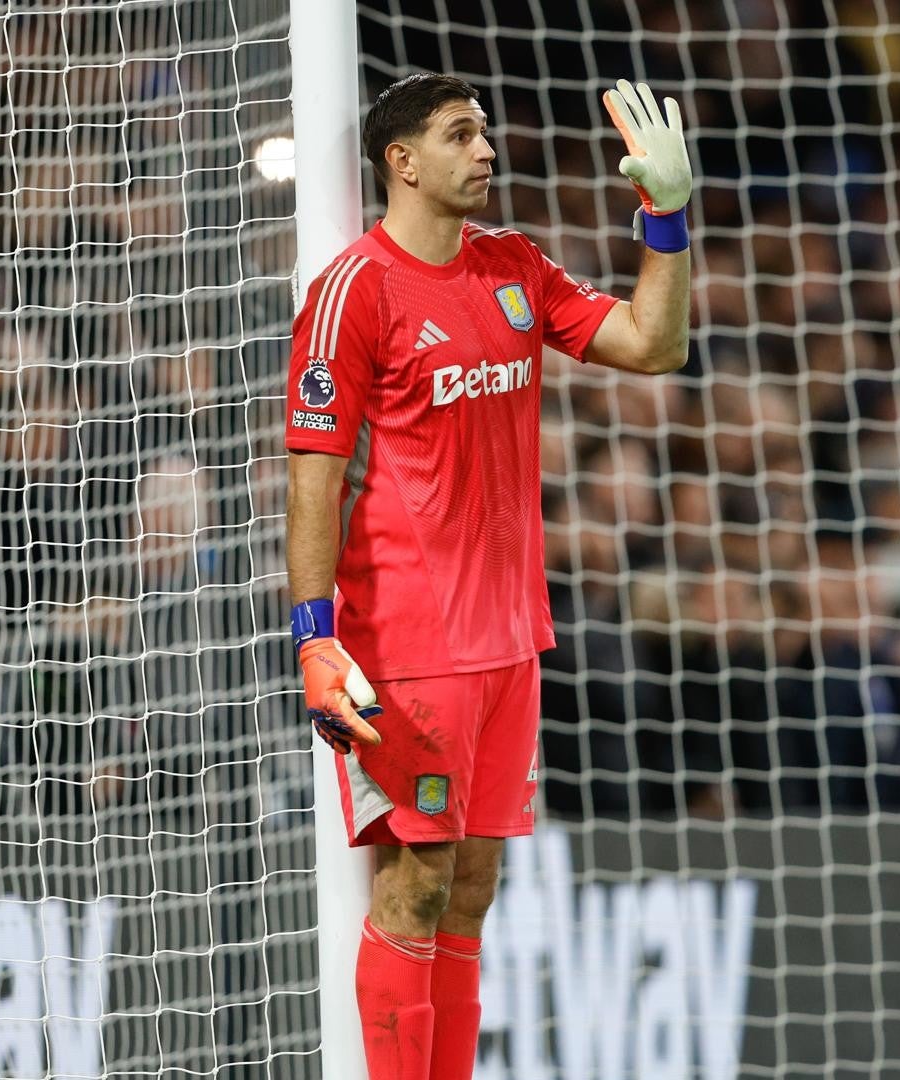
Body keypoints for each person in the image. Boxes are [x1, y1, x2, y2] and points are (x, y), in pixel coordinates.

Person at [283, 73, 690, 1080]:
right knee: (416, 882)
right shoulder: (353, 291)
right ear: (403, 161)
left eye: (487, 133)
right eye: (461, 134)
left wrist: (668, 220)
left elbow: (653, 344)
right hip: (408, 643)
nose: (486, 151)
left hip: (513, 637)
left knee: (472, 887)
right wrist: (312, 634)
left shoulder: (514, 266)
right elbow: (314, 478)